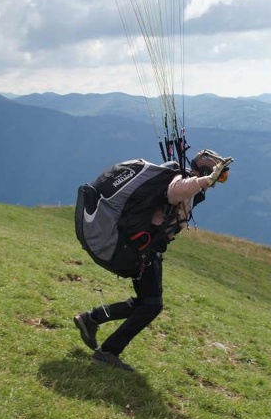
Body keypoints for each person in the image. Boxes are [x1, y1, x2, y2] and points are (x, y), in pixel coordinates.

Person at [73, 150, 233, 371]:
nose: (217, 183)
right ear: (207, 171)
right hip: (144, 250)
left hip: (147, 250)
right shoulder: (181, 181)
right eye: (218, 176)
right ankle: (108, 351)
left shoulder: (188, 185)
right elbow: (174, 191)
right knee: (152, 305)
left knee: (145, 303)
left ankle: (92, 319)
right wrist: (205, 180)